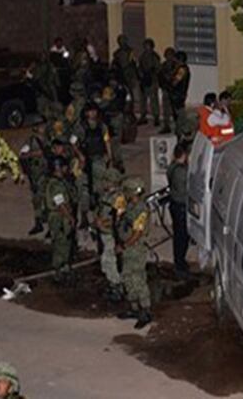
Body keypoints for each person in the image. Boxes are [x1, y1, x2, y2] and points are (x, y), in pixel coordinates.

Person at [116, 177, 153, 328]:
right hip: (128, 248)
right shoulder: (130, 206)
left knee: (138, 279)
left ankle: (145, 311)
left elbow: (137, 232)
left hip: (136, 249)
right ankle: (134, 308)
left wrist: (124, 245)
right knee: (127, 277)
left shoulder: (142, 210)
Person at [74, 104, 113, 228]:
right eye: (90, 111)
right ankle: (84, 217)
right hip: (85, 162)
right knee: (83, 190)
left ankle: (99, 217)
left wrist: (110, 157)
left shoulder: (102, 126)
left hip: (99, 160)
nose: (92, 114)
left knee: (100, 189)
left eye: (94, 111)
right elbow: (73, 143)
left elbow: (107, 141)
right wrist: (80, 155)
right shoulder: (80, 127)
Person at [92, 167, 126, 302]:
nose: (104, 183)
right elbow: (99, 210)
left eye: (106, 180)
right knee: (105, 262)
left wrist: (103, 224)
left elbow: (119, 219)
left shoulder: (119, 199)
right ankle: (112, 285)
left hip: (112, 234)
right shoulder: (106, 195)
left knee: (110, 261)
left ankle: (117, 287)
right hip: (104, 233)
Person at [44, 156, 76, 285]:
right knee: (60, 242)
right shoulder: (56, 185)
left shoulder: (58, 181)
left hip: (61, 216)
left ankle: (64, 268)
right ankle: (59, 270)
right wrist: (69, 217)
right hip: (59, 218)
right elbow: (60, 204)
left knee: (65, 241)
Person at [167, 144, 191, 278]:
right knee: (182, 237)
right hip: (181, 206)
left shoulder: (172, 167)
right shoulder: (181, 172)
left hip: (175, 204)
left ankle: (180, 261)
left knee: (178, 236)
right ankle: (180, 264)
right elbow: (186, 189)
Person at [19, 132, 48, 235]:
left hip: (47, 174)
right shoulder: (31, 141)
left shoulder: (49, 138)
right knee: (36, 199)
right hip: (36, 175)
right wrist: (33, 154)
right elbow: (22, 156)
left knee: (48, 198)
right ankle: (38, 222)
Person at [112, 35, 140, 115]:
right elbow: (115, 64)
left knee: (132, 93)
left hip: (130, 74)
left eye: (123, 40)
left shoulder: (131, 51)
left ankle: (131, 110)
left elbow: (134, 63)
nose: (122, 42)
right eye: (120, 41)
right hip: (121, 74)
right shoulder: (116, 53)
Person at [137, 38, 161, 126]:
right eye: (145, 46)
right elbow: (139, 67)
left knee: (153, 100)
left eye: (148, 46)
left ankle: (156, 117)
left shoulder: (155, 57)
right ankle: (143, 116)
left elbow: (158, 69)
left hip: (152, 81)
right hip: (144, 81)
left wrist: (152, 74)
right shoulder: (142, 56)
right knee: (143, 99)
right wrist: (141, 75)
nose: (147, 48)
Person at [28, 53, 60, 120]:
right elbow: (30, 74)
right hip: (41, 88)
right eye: (41, 56)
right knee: (42, 104)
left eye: (44, 56)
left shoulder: (50, 65)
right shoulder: (36, 65)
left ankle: (54, 116)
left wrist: (57, 83)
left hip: (49, 87)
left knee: (53, 103)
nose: (43, 58)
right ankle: (47, 117)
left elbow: (54, 74)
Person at [157, 47, 178, 134]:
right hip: (165, 89)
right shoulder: (163, 65)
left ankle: (178, 126)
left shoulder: (177, 66)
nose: (169, 57)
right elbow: (159, 76)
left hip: (175, 91)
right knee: (166, 109)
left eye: (170, 55)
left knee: (175, 109)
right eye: (167, 55)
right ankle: (166, 125)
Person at [169, 51, 191, 128]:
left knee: (179, 113)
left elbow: (176, 81)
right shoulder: (181, 68)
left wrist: (170, 82)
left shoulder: (182, 69)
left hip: (178, 94)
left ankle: (183, 129)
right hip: (178, 94)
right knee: (178, 112)